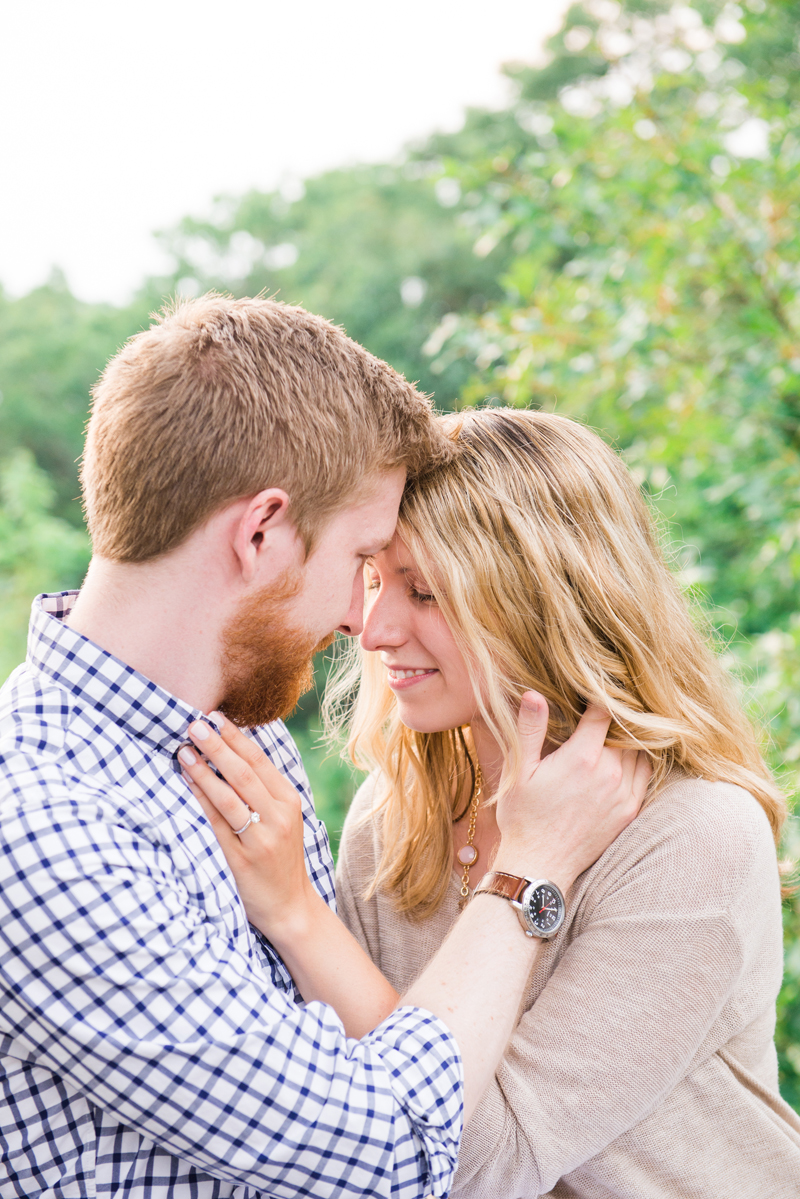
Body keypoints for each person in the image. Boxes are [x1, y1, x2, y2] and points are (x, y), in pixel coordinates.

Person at [0, 297, 647, 1199]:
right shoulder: (36, 828)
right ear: (259, 530)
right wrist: (528, 869)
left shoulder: (243, 731)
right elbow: (386, 1152)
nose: (360, 619)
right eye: (362, 560)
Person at [186, 408, 800, 1197]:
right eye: (375, 580)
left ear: (544, 599)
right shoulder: (396, 816)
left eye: (427, 592)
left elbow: (472, 1167)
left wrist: (300, 915)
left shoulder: (693, 837)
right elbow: (360, 1119)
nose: (372, 631)